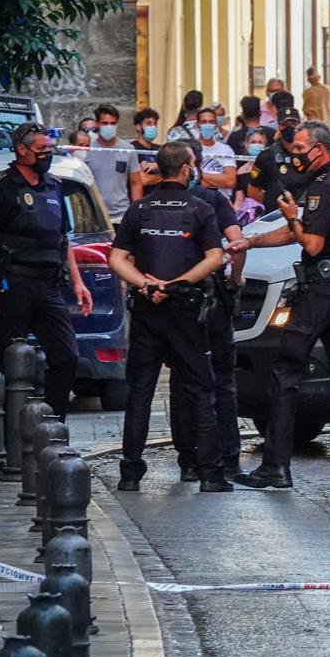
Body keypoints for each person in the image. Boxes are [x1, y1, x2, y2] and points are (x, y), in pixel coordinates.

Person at [234, 122, 330, 491]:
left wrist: (292, 214)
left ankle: (276, 465)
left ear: (320, 150)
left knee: (286, 368)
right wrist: (253, 242)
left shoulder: (322, 188)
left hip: (322, 289)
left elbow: (310, 243)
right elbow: (297, 231)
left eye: (300, 149)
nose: (294, 156)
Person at [109, 141, 228, 492]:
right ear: (188, 169)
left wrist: (146, 284)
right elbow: (215, 257)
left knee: (140, 392)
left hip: (148, 309)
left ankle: (130, 472)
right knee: (200, 388)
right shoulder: (200, 208)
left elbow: (116, 258)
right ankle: (209, 473)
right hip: (185, 310)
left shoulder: (139, 208)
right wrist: (178, 284)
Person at [0, 123, 93, 421]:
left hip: (48, 287)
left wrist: (78, 283)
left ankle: (51, 428)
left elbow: (63, 239)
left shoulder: (54, 185)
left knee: (67, 357)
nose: (47, 156)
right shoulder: (0, 185)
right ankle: (7, 438)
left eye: (49, 151)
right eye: (41, 151)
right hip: (12, 284)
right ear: (21, 150)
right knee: (12, 361)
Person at [164, 141, 249, 481]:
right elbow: (237, 243)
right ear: (192, 166)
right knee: (222, 380)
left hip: (172, 300)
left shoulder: (151, 204)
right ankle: (228, 458)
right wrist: (236, 279)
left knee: (182, 378)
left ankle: (188, 459)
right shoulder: (213, 200)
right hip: (211, 298)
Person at [246, 105, 310, 212]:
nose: (290, 127)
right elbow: (253, 191)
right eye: (285, 124)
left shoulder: (308, 152)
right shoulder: (267, 156)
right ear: (279, 126)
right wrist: (272, 203)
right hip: (276, 215)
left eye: (293, 124)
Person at [86, 104, 142, 225]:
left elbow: (136, 183)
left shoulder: (128, 149)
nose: (109, 126)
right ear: (97, 124)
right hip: (95, 217)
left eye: (112, 123)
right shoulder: (87, 150)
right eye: (105, 123)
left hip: (121, 215)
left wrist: (136, 212)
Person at [194, 107, 237, 202]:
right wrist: (219, 179)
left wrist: (200, 176)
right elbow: (189, 181)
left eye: (211, 122)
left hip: (221, 202)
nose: (207, 125)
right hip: (196, 201)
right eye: (203, 122)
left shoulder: (226, 150)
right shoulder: (190, 149)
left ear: (216, 125)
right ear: (197, 125)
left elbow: (230, 181)